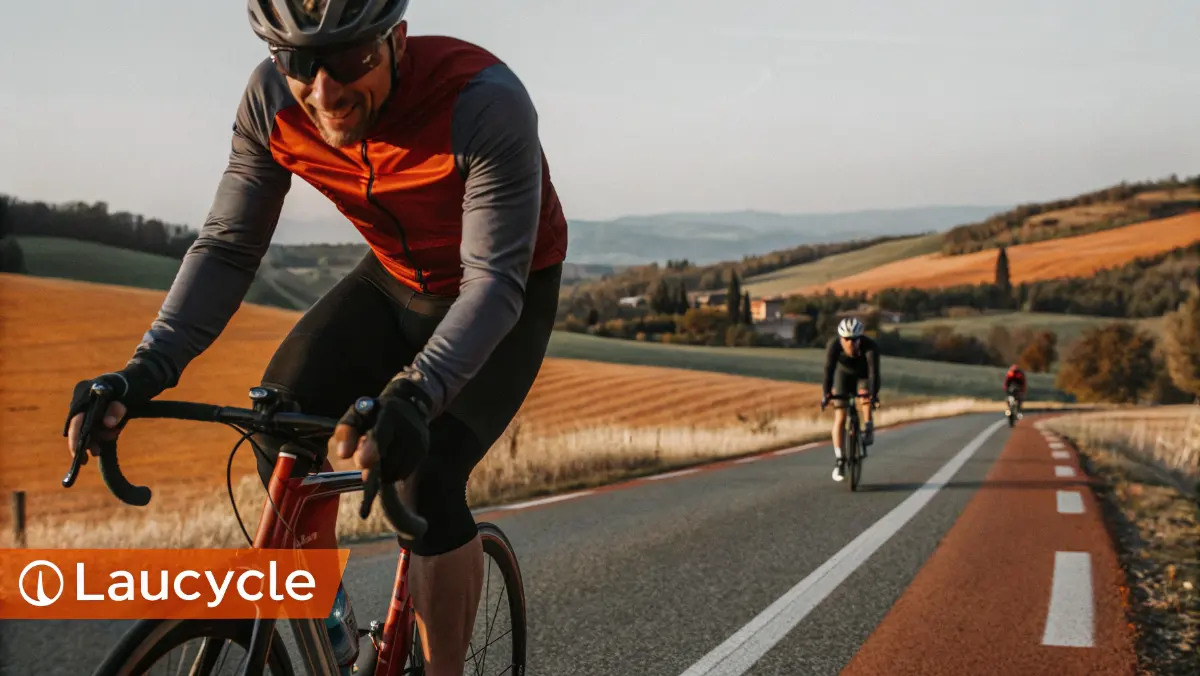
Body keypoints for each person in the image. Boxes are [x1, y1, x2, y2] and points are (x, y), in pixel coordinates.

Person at [62, 1, 567, 674]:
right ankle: (329, 638)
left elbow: (492, 283)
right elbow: (226, 248)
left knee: (428, 477)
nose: (324, 91)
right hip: (391, 280)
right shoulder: (271, 101)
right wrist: (145, 369)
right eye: (298, 62)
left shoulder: (481, 101)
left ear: (397, 41)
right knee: (280, 419)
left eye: (352, 59)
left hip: (504, 290)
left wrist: (417, 396)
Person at [821, 317, 881, 481]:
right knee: (840, 416)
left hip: (863, 375)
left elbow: (874, 374)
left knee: (865, 397)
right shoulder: (833, 346)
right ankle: (840, 459)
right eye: (846, 339)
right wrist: (826, 394)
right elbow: (828, 371)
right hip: (843, 375)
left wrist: (873, 395)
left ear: (860, 339)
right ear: (841, 338)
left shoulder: (870, 347)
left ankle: (868, 426)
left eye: (855, 339)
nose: (850, 343)